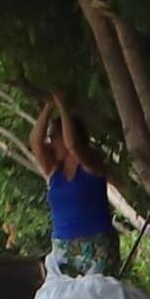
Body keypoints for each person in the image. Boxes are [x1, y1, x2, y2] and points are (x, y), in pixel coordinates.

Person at [34, 96, 119, 277]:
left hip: (96, 245)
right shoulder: (54, 169)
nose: (51, 143)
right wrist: (49, 105)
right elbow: (35, 142)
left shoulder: (92, 160)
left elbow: (73, 145)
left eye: (54, 137)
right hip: (63, 246)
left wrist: (63, 105)